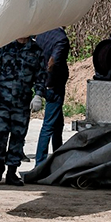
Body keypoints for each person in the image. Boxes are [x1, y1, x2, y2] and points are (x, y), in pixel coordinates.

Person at [0, 36, 46, 186]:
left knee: (18, 137)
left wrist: (38, 95)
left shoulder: (36, 51)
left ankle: (12, 171)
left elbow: (41, 76)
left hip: (22, 102)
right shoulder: (3, 45)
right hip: (2, 101)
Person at [34, 27, 70, 165]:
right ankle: (40, 162)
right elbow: (53, 62)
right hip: (54, 85)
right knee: (48, 125)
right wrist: (49, 83)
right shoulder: (62, 39)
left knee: (58, 123)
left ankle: (58, 154)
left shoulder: (43, 32)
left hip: (44, 83)